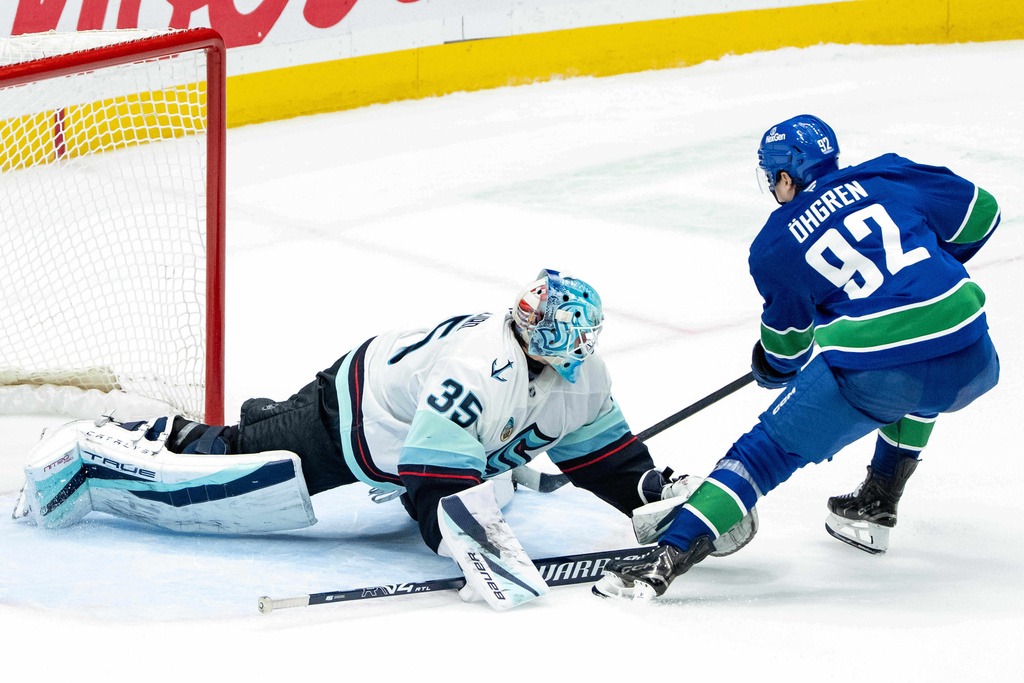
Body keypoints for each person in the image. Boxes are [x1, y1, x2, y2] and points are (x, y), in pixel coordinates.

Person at [17, 269, 675, 609]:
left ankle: (264, 414)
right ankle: (112, 441)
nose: (586, 349)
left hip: (399, 425)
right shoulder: (481, 368)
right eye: (575, 336)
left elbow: (601, 451)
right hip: (351, 417)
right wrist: (477, 545)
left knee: (480, 470)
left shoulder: (578, 372)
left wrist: (650, 493)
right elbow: (431, 475)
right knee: (240, 468)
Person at [595, 114, 1001, 600]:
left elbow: (788, 350)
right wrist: (932, 268)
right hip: (974, 355)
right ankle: (878, 501)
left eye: (772, 177)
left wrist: (771, 365)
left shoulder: (775, 243)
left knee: (761, 455)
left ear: (787, 176)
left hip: (883, 371)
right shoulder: (886, 174)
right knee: (922, 380)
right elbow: (984, 212)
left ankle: (665, 558)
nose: (772, 187)